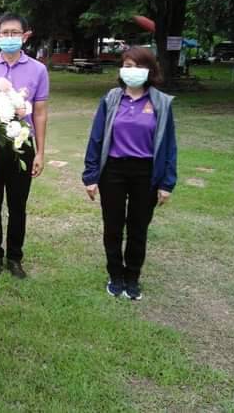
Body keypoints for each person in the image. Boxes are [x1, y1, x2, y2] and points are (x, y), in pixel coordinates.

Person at [82, 47, 177, 301]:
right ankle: (115, 275)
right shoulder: (111, 99)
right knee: (112, 227)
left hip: (146, 173)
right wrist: (91, 176)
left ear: (150, 70)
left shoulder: (161, 103)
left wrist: (167, 183)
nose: (131, 71)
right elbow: (96, 138)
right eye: (127, 65)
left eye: (137, 66)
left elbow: (169, 145)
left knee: (138, 229)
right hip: (113, 170)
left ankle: (132, 277)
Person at [0, 13, 49, 279]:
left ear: (25, 36)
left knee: (18, 205)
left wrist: (40, 152)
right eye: (5, 33)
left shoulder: (38, 70)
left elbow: (40, 113)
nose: (9, 37)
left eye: (14, 33)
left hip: (23, 144)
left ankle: (15, 257)